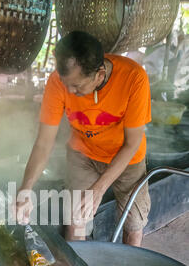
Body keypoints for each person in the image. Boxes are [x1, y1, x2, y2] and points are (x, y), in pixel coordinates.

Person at [15, 31, 151, 246]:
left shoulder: (134, 78)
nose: (69, 90)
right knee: (76, 220)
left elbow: (132, 143)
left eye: (77, 86)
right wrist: (26, 187)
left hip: (126, 158)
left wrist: (98, 190)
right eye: (65, 82)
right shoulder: (58, 82)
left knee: (133, 223)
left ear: (99, 74)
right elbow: (43, 142)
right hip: (83, 154)